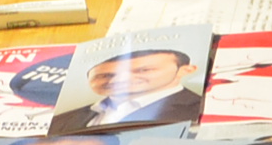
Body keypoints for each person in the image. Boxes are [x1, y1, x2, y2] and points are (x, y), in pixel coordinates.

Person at [59, 46, 204, 131]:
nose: (118, 80)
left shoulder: (201, 109)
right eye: (105, 75)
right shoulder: (63, 119)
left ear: (186, 70)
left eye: (143, 70)